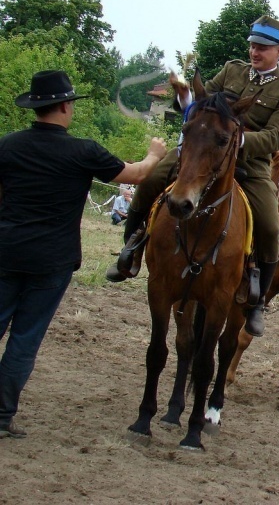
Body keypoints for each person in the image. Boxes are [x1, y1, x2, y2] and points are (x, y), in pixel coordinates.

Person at [106, 16, 279, 338]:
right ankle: (133, 246)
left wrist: (234, 140)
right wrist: (185, 96)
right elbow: (200, 103)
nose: (255, 52)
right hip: (202, 148)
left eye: (263, 48)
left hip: (247, 161)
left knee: (269, 224)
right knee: (153, 179)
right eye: (253, 45)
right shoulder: (232, 69)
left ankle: (256, 301)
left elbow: (275, 137)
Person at [0, 70, 167, 438]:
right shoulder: (83, 151)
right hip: (52, 259)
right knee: (25, 338)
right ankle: (1, 416)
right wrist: (154, 154)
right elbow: (136, 175)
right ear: (64, 106)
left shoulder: (7, 145)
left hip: (6, 250)